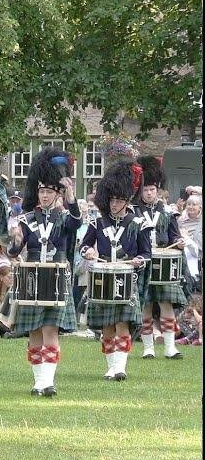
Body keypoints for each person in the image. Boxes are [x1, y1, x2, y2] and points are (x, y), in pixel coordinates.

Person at [7, 148, 82, 396]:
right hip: (33, 277)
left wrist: (70, 196)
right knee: (35, 331)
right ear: (37, 193)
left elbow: (76, 223)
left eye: (50, 191)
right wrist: (15, 240)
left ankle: (48, 383)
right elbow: (14, 252)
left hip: (57, 276)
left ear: (56, 193)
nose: (45, 195)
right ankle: (38, 382)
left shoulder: (64, 217)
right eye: (42, 191)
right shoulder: (27, 219)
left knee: (50, 329)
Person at [80, 160, 150, 380]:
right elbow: (83, 246)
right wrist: (88, 253)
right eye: (111, 199)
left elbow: (147, 254)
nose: (114, 203)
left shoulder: (139, 224)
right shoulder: (97, 223)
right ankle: (111, 366)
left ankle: (121, 367)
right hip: (103, 278)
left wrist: (137, 261)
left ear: (127, 200)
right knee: (107, 324)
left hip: (127, 279)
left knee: (122, 324)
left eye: (118, 199)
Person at [133, 156, 185, 359]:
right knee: (145, 305)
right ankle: (148, 347)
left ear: (158, 190)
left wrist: (179, 242)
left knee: (166, 305)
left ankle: (170, 347)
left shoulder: (168, 212)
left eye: (152, 190)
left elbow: (175, 236)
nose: (149, 193)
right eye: (145, 190)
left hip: (164, 263)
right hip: (143, 263)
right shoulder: (134, 212)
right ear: (141, 191)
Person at [178, 193, 201, 294]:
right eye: (189, 204)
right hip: (185, 257)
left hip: (200, 257)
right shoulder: (181, 220)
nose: (191, 207)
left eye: (194, 204)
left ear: (200, 206)